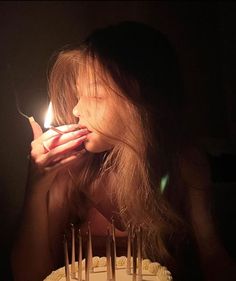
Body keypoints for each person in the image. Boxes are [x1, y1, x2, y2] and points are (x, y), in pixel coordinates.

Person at [11, 21, 235, 281]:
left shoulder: (185, 165)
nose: (76, 110)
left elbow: (213, 259)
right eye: (78, 95)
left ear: (140, 103)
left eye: (94, 95)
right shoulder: (71, 169)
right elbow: (29, 275)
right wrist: (36, 187)